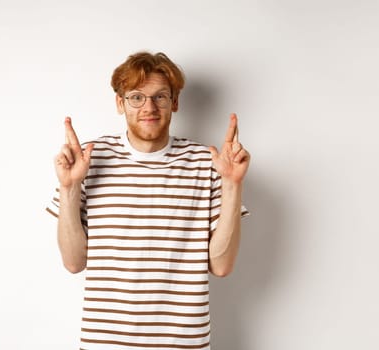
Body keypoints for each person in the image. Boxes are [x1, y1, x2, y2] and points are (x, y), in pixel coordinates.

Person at [46, 51, 250, 349]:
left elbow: (221, 266)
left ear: (175, 102)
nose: (149, 107)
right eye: (137, 97)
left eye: (160, 97)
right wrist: (69, 187)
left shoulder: (208, 163)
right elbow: (74, 262)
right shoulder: (89, 159)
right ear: (120, 103)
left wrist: (232, 184)